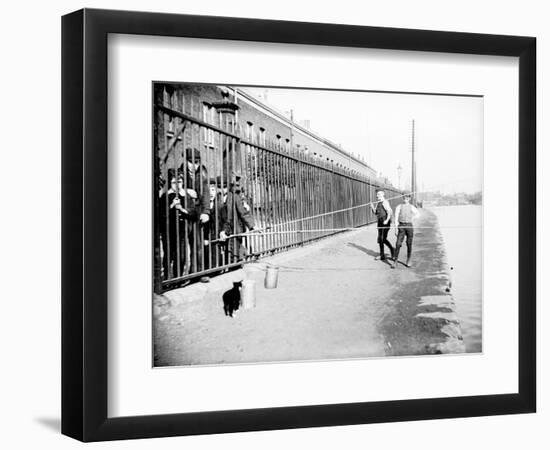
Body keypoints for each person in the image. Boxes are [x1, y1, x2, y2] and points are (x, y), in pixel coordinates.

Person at [219, 173, 257, 261]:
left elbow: (243, 212)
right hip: (226, 228)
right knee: (227, 253)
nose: (222, 189)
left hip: (234, 228)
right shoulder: (220, 198)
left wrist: (252, 225)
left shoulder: (234, 197)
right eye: (220, 187)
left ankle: (237, 263)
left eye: (224, 187)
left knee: (233, 253)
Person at [391, 193, 420, 268]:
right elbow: (396, 218)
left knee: (409, 243)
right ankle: (395, 261)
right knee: (398, 244)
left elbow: (417, 214)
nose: (405, 199)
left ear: (409, 198)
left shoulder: (412, 207)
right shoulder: (399, 206)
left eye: (407, 198)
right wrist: (396, 229)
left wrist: (412, 219)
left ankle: (408, 260)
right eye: (404, 198)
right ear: (402, 198)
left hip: (409, 226)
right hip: (401, 226)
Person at [370, 189, 394, 261]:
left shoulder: (385, 202)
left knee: (383, 238)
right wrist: (372, 207)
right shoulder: (378, 203)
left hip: (385, 222)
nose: (377, 196)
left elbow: (390, 212)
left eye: (379, 194)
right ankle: (382, 255)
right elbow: (376, 213)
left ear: (383, 194)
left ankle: (392, 250)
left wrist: (386, 220)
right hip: (380, 222)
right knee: (380, 239)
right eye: (377, 194)